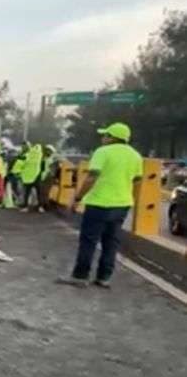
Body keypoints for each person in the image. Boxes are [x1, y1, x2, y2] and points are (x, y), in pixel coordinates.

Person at [59, 123, 143, 288]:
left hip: (99, 203)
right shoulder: (135, 156)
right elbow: (137, 179)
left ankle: (80, 276)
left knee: (89, 240)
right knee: (111, 242)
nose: (102, 138)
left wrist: (78, 197)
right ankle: (104, 277)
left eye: (105, 135)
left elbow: (92, 177)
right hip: (122, 204)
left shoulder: (102, 152)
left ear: (112, 137)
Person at [20, 142, 44, 212]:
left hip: (33, 176)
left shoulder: (33, 154)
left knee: (36, 192)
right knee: (30, 192)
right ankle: (27, 206)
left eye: (25, 146)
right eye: (23, 146)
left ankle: (39, 207)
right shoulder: (25, 155)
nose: (24, 148)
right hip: (31, 176)